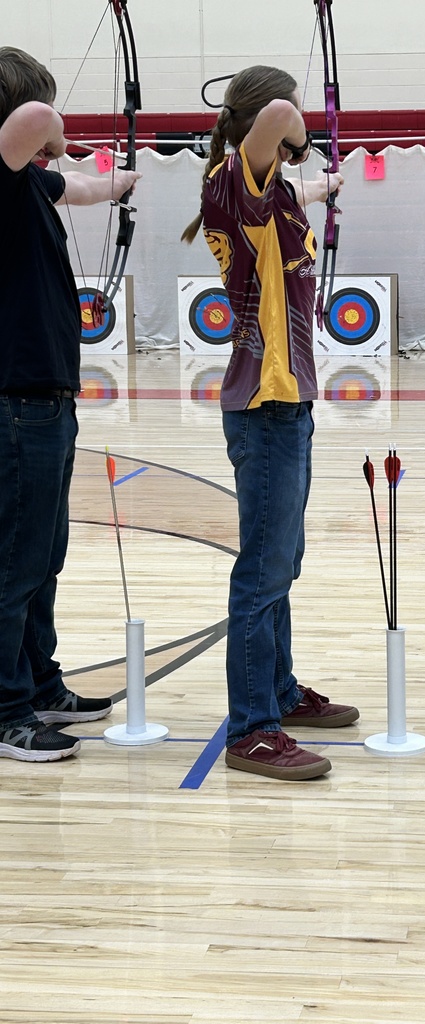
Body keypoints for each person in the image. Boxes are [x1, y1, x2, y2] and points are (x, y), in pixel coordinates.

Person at [182, 65, 357, 781]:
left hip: (291, 404)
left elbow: (289, 188)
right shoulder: (234, 181)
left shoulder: (270, 193)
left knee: (284, 564)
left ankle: (279, 692)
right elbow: (278, 109)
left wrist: (317, 182)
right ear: (265, 125)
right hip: (264, 407)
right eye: (285, 125)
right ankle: (252, 729)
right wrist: (299, 130)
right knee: (260, 573)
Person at [0, 47, 141, 762]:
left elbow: (80, 189)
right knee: (16, 562)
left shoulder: (30, 184)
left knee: (44, 554)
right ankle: (6, 710)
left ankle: (42, 683)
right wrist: (54, 127)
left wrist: (118, 181)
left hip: (47, 397)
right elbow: (36, 119)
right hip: (16, 400)